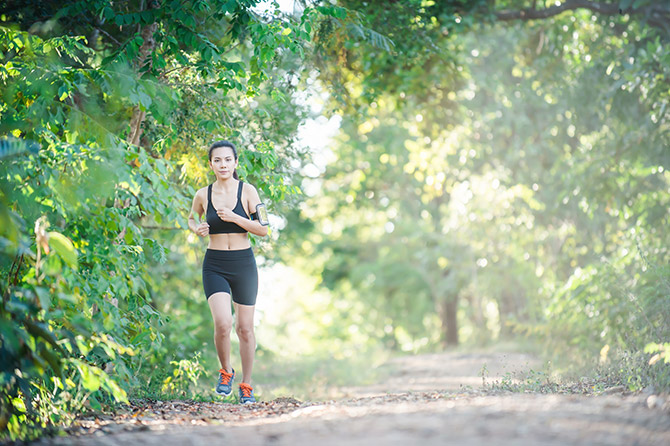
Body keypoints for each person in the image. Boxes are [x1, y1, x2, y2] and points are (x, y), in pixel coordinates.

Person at [187, 140, 269, 404]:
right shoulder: (203, 194)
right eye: (217, 160)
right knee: (223, 323)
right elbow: (192, 217)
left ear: (236, 163)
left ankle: (247, 385)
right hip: (215, 264)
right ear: (210, 164)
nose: (223, 165)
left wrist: (236, 218)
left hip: (243, 264)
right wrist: (196, 228)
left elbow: (263, 228)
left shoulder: (248, 191)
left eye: (227, 160)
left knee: (244, 328)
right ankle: (226, 372)